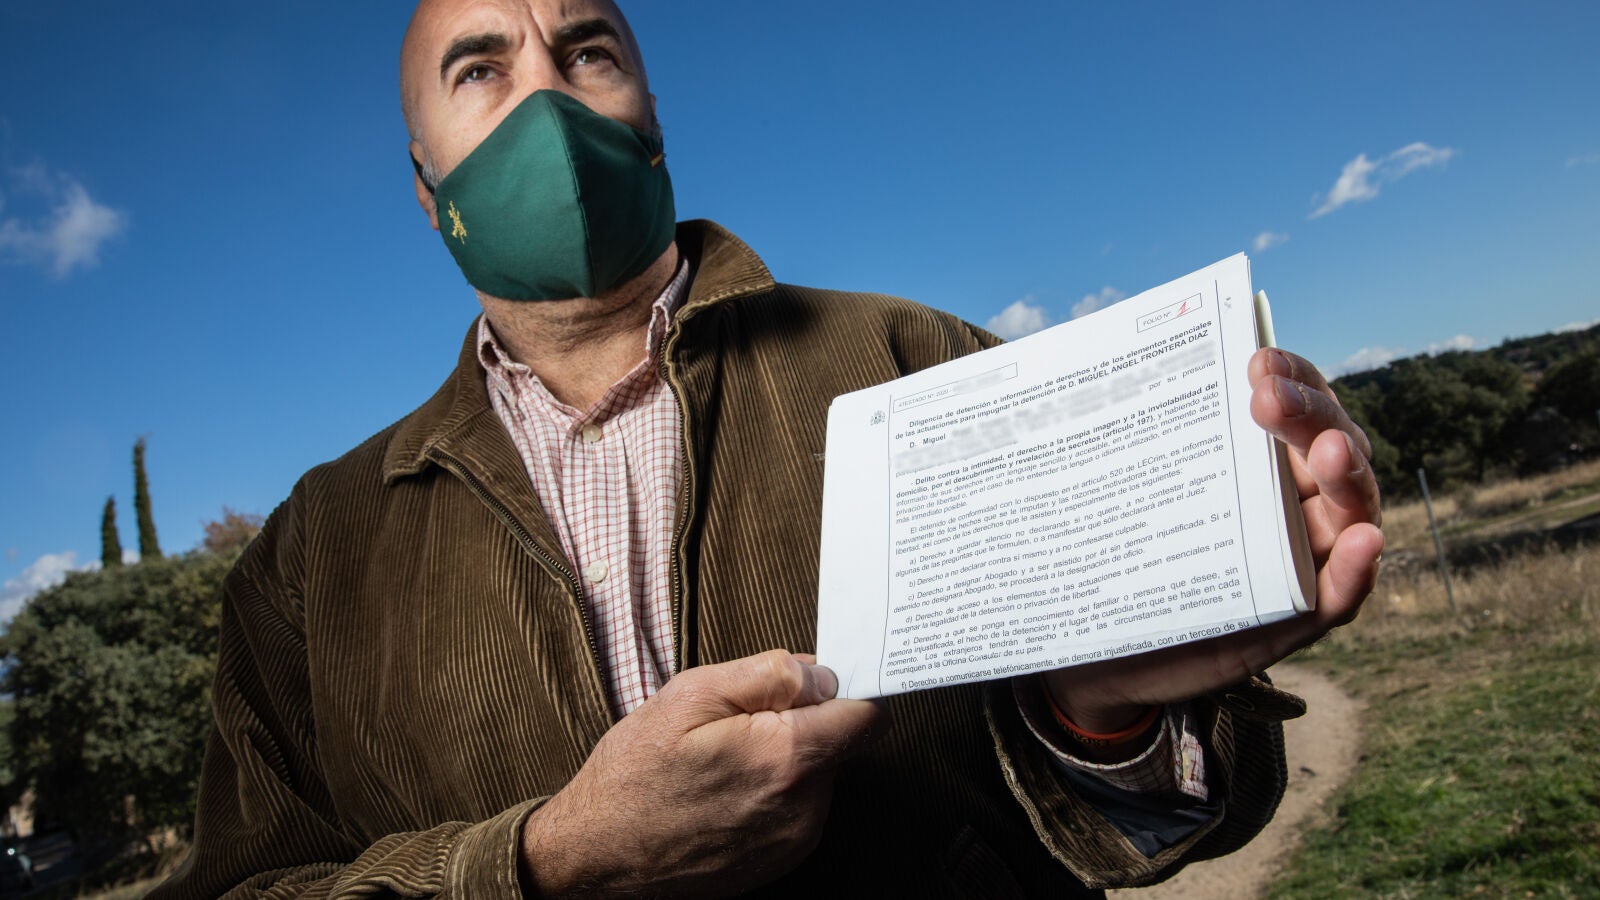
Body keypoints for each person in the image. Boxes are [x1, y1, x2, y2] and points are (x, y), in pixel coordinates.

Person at [152, 1, 1384, 896]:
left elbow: (1163, 809)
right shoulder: (312, 553)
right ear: (428, 187)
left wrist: (1105, 716)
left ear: (650, 120)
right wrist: (546, 862)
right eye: (481, 67)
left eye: (587, 52)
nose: (545, 100)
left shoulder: (922, 360)